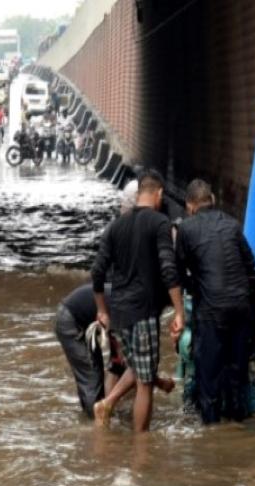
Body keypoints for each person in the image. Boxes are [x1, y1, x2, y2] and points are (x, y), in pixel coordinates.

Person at [91, 170, 185, 432]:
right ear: (159, 195)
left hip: (118, 314)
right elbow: (168, 269)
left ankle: (107, 405)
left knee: (136, 367)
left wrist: (102, 310)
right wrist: (179, 311)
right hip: (143, 311)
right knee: (144, 382)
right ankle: (140, 446)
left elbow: (97, 272)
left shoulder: (115, 226)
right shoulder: (160, 223)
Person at [176, 179, 255, 424]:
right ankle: (238, 426)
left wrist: (196, 289)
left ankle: (211, 433)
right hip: (241, 309)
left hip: (212, 311)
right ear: (212, 200)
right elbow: (251, 266)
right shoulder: (232, 225)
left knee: (209, 378)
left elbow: (178, 272)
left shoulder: (186, 229)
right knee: (237, 375)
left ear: (190, 206)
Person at [56, 283, 129, 418]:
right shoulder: (125, 308)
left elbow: (117, 363)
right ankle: (96, 423)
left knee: (98, 371)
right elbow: (120, 361)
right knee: (91, 377)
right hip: (70, 319)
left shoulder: (126, 301)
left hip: (83, 318)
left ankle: (95, 413)